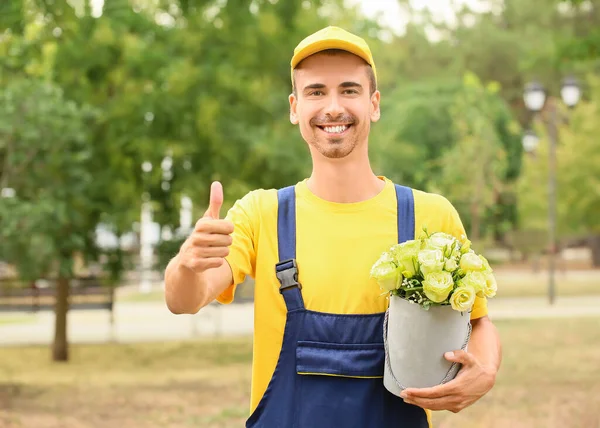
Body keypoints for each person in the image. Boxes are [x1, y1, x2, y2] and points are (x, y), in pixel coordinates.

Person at [165, 26, 502, 428]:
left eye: (349, 89)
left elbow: (477, 322)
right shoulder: (261, 214)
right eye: (316, 91)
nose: (333, 107)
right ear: (294, 108)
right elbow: (184, 300)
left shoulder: (431, 218)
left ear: (374, 103)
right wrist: (187, 264)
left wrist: (486, 367)